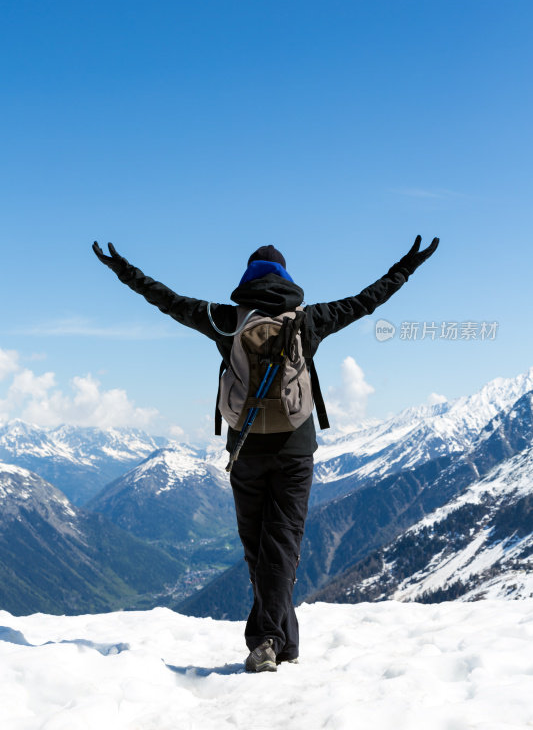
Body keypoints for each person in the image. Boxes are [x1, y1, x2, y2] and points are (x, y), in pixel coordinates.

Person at [92, 234, 439, 672]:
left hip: (245, 448)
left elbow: (167, 300)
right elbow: (367, 300)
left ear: (248, 278)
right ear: (286, 277)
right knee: (282, 546)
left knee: (258, 547)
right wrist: (407, 265)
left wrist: (122, 269)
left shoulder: (226, 320)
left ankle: (269, 640)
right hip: (296, 450)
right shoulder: (310, 320)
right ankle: (278, 642)